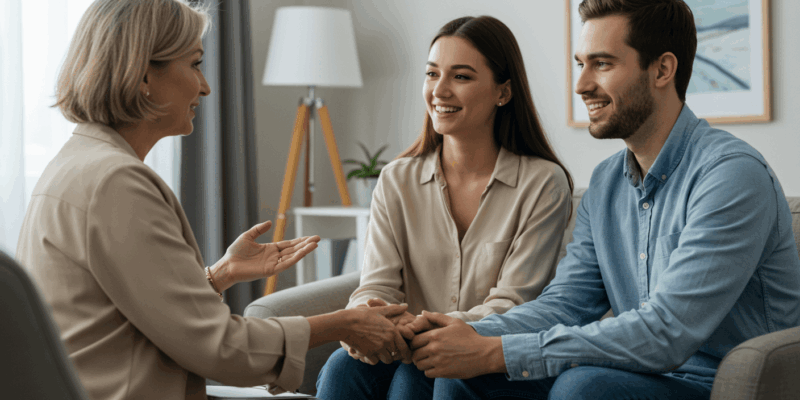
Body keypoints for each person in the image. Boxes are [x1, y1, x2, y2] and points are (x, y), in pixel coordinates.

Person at [400, 0, 800, 399]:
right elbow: (565, 306)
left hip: (716, 383)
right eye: (581, 64)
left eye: (602, 64)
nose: (581, 85)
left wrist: (495, 352)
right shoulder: (606, 183)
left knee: (582, 387)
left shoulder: (731, 175)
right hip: (636, 373)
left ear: (662, 70)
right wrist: (463, 332)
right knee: (447, 370)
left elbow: (667, 332)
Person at [14, 1, 412, 399]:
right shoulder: (117, 184)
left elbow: (134, 312)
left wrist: (219, 275)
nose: (204, 86)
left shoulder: (77, 164)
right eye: (195, 64)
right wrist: (344, 324)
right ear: (143, 75)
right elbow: (221, 349)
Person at [316, 16, 574, 400]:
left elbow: (514, 303)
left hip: (492, 354)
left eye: (461, 76)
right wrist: (367, 319)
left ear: (503, 92)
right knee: (342, 367)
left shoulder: (543, 183)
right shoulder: (396, 179)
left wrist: (425, 329)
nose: (439, 90)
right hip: (407, 344)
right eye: (432, 73)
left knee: (417, 376)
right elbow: (377, 284)